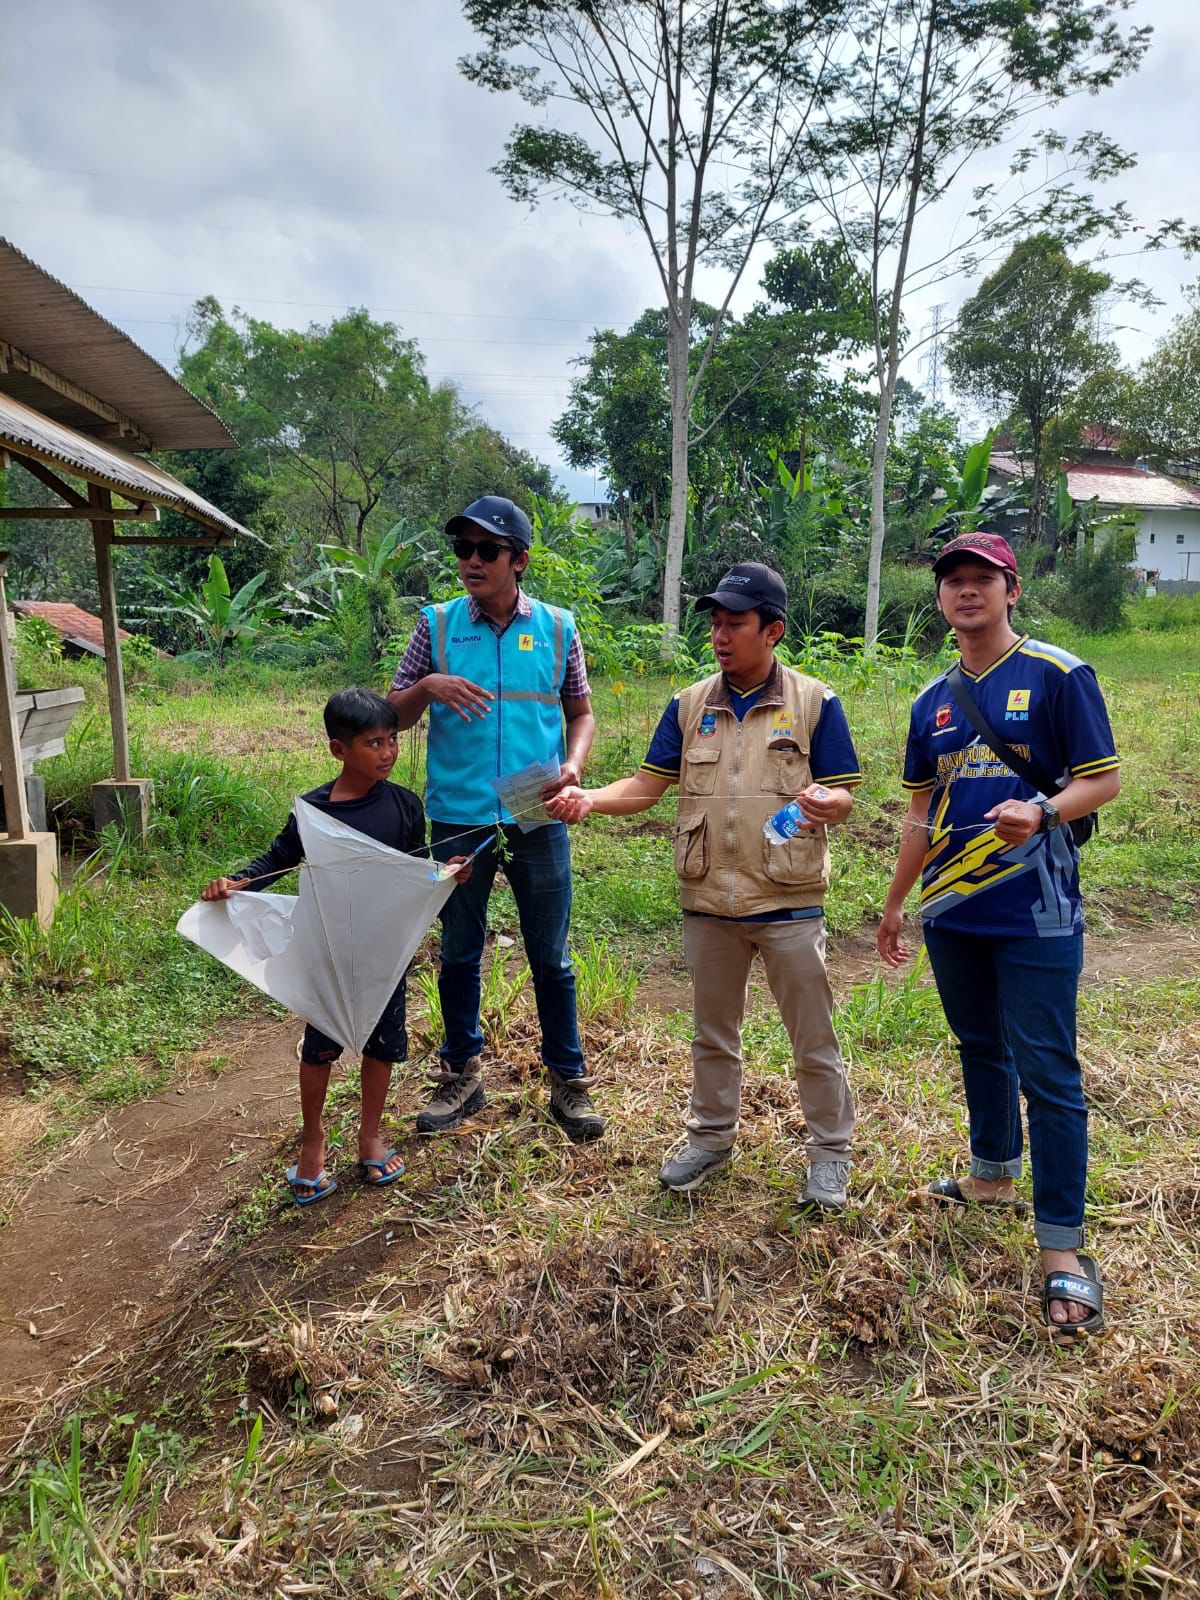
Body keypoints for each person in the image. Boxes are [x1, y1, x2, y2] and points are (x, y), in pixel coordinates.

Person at [548, 562, 861, 1207]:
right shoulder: (691, 705)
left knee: (813, 1036)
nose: (720, 635)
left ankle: (829, 1153)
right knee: (713, 1031)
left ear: (772, 630)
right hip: (709, 899)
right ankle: (712, 1136)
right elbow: (645, 788)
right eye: (715, 623)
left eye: (735, 623)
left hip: (787, 898)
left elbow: (843, 790)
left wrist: (832, 804)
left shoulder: (814, 701)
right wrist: (587, 799)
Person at [876, 532, 1121, 1339]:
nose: (966, 591)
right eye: (953, 581)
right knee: (980, 1044)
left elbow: (1104, 778)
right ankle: (991, 1173)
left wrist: (1046, 809)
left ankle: (1062, 1249)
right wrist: (894, 901)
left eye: (982, 578)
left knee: (1048, 1069)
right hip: (953, 908)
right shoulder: (930, 700)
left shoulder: (1058, 674)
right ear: (941, 598)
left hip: (1035, 906)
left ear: (1011, 589)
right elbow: (920, 813)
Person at [387, 495, 603, 1143]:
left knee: (551, 955)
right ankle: (462, 1074)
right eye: (463, 549)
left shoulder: (560, 628)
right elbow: (392, 716)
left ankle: (568, 1081)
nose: (470, 562)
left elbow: (582, 713)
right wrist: (427, 689)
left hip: (534, 800)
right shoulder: (437, 626)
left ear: (520, 561)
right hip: (458, 812)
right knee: (457, 951)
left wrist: (573, 764)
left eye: (487, 551)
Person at [202, 688, 472, 1205]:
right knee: (320, 1048)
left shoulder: (404, 805)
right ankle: (313, 1140)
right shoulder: (313, 812)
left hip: (382, 953)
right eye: (374, 743)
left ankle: (370, 1135)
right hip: (328, 950)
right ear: (338, 750)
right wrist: (236, 883)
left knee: (382, 1044)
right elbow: (278, 859)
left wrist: (447, 875)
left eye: (393, 740)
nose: (389, 752)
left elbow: (414, 870)